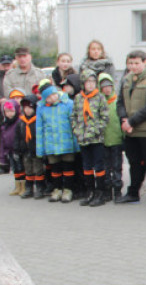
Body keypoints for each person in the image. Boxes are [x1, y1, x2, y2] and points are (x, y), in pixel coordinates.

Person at [116, 50, 146, 208]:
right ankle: (132, 193)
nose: (134, 66)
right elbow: (120, 103)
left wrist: (131, 121)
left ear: (144, 62)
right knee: (134, 163)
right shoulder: (125, 80)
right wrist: (124, 119)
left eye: (137, 63)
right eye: (131, 63)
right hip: (130, 131)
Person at [71, 71, 110, 207]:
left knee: (99, 165)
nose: (90, 84)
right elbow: (74, 116)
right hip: (83, 138)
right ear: (83, 83)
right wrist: (76, 130)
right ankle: (90, 191)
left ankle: (101, 193)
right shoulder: (78, 98)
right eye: (88, 82)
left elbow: (105, 117)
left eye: (93, 82)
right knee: (86, 165)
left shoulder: (100, 98)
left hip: (96, 138)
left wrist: (95, 131)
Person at [36, 85, 79, 203]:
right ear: (45, 99)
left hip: (67, 143)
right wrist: (40, 149)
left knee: (68, 167)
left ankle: (68, 189)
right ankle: (57, 189)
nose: (52, 98)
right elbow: (39, 129)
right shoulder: (41, 108)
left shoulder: (68, 104)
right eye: (49, 97)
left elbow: (73, 124)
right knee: (55, 168)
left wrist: (76, 144)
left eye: (53, 94)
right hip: (51, 144)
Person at [98, 73, 123, 203]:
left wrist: (124, 138)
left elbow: (122, 120)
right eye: (103, 87)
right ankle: (107, 191)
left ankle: (118, 190)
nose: (107, 89)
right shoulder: (99, 103)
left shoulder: (117, 102)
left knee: (117, 167)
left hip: (117, 141)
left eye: (109, 86)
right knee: (106, 168)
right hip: (103, 142)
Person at [15, 95, 45, 199]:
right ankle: (29, 188)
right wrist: (17, 148)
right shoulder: (21, 122)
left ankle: (40, 188)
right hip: (25, 150)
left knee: (38, 170)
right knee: (28, 170)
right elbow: (18, 137)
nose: (27, 110)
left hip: (36, 149)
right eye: (25, 108)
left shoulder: (38, 120)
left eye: (30, 108)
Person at [0, 93, 23, 194]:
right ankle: (17, 186)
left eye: (11, 111)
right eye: (7, 112)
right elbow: (2, 140)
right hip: (10, 150)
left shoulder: (19, 122)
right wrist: (2, 155)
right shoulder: (5, 124)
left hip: (19, 150)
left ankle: (24, 186)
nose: (9, 114)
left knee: (21, 168)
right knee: (15, 169)